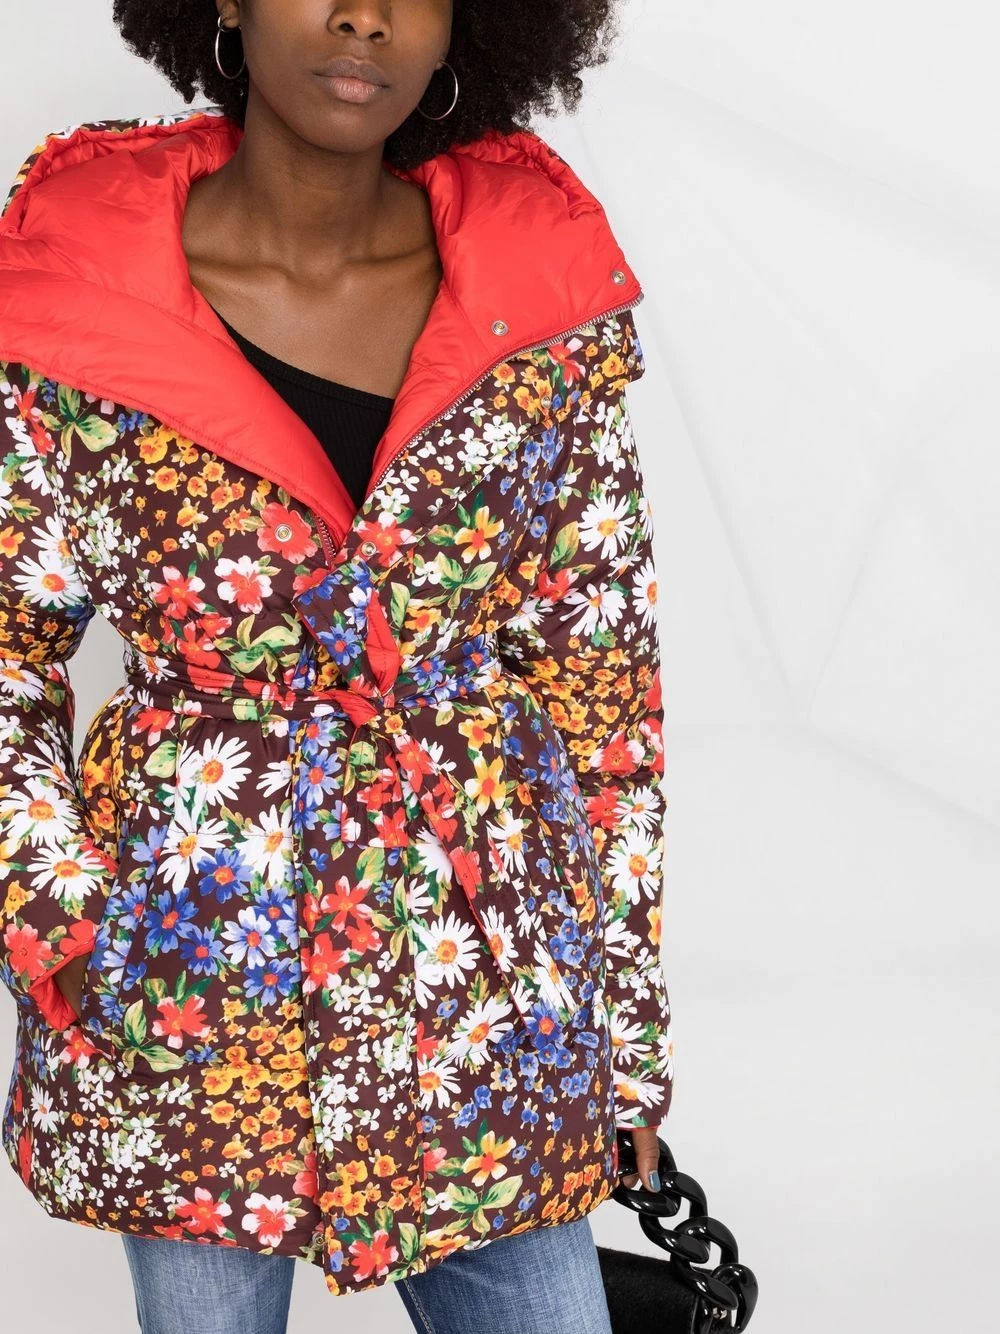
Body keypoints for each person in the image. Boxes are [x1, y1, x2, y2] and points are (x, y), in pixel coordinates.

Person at [0, 2, 674, 1329]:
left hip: (483, 987)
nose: (364, 13)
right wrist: (61, 920)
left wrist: (629, 1044)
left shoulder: (535, 296)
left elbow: (602, 692)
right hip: (189, 977)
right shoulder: (73, 298)